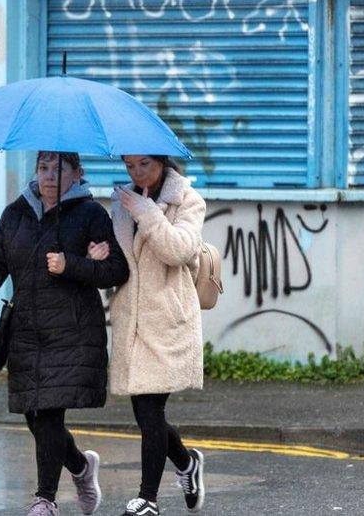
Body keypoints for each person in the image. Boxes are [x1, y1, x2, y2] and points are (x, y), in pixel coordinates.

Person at [0, 151, 129, 516]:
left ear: (77, 174)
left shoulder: (91, 215)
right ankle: (79, 466)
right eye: (43, 168)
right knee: (34, 415)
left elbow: (116, 271)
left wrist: (72, 264)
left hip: (72, 332)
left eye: (58, 169)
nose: (49, 177)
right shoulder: (16, 214)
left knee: (48, 416)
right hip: (27, 331)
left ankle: (45, 500)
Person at [108, 155, 208, 515]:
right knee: (145, 412)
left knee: (150, 409)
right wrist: (99, 252)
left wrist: (147, 212)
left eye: (145, 165)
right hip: (132, 321)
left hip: (167, 320)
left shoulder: (187, 200)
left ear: (163, 162)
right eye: (130, 166)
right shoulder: (122, 203)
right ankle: (186, 462)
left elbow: (179, 249)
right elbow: (120, 264)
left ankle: (147, 499)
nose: (137, 173)